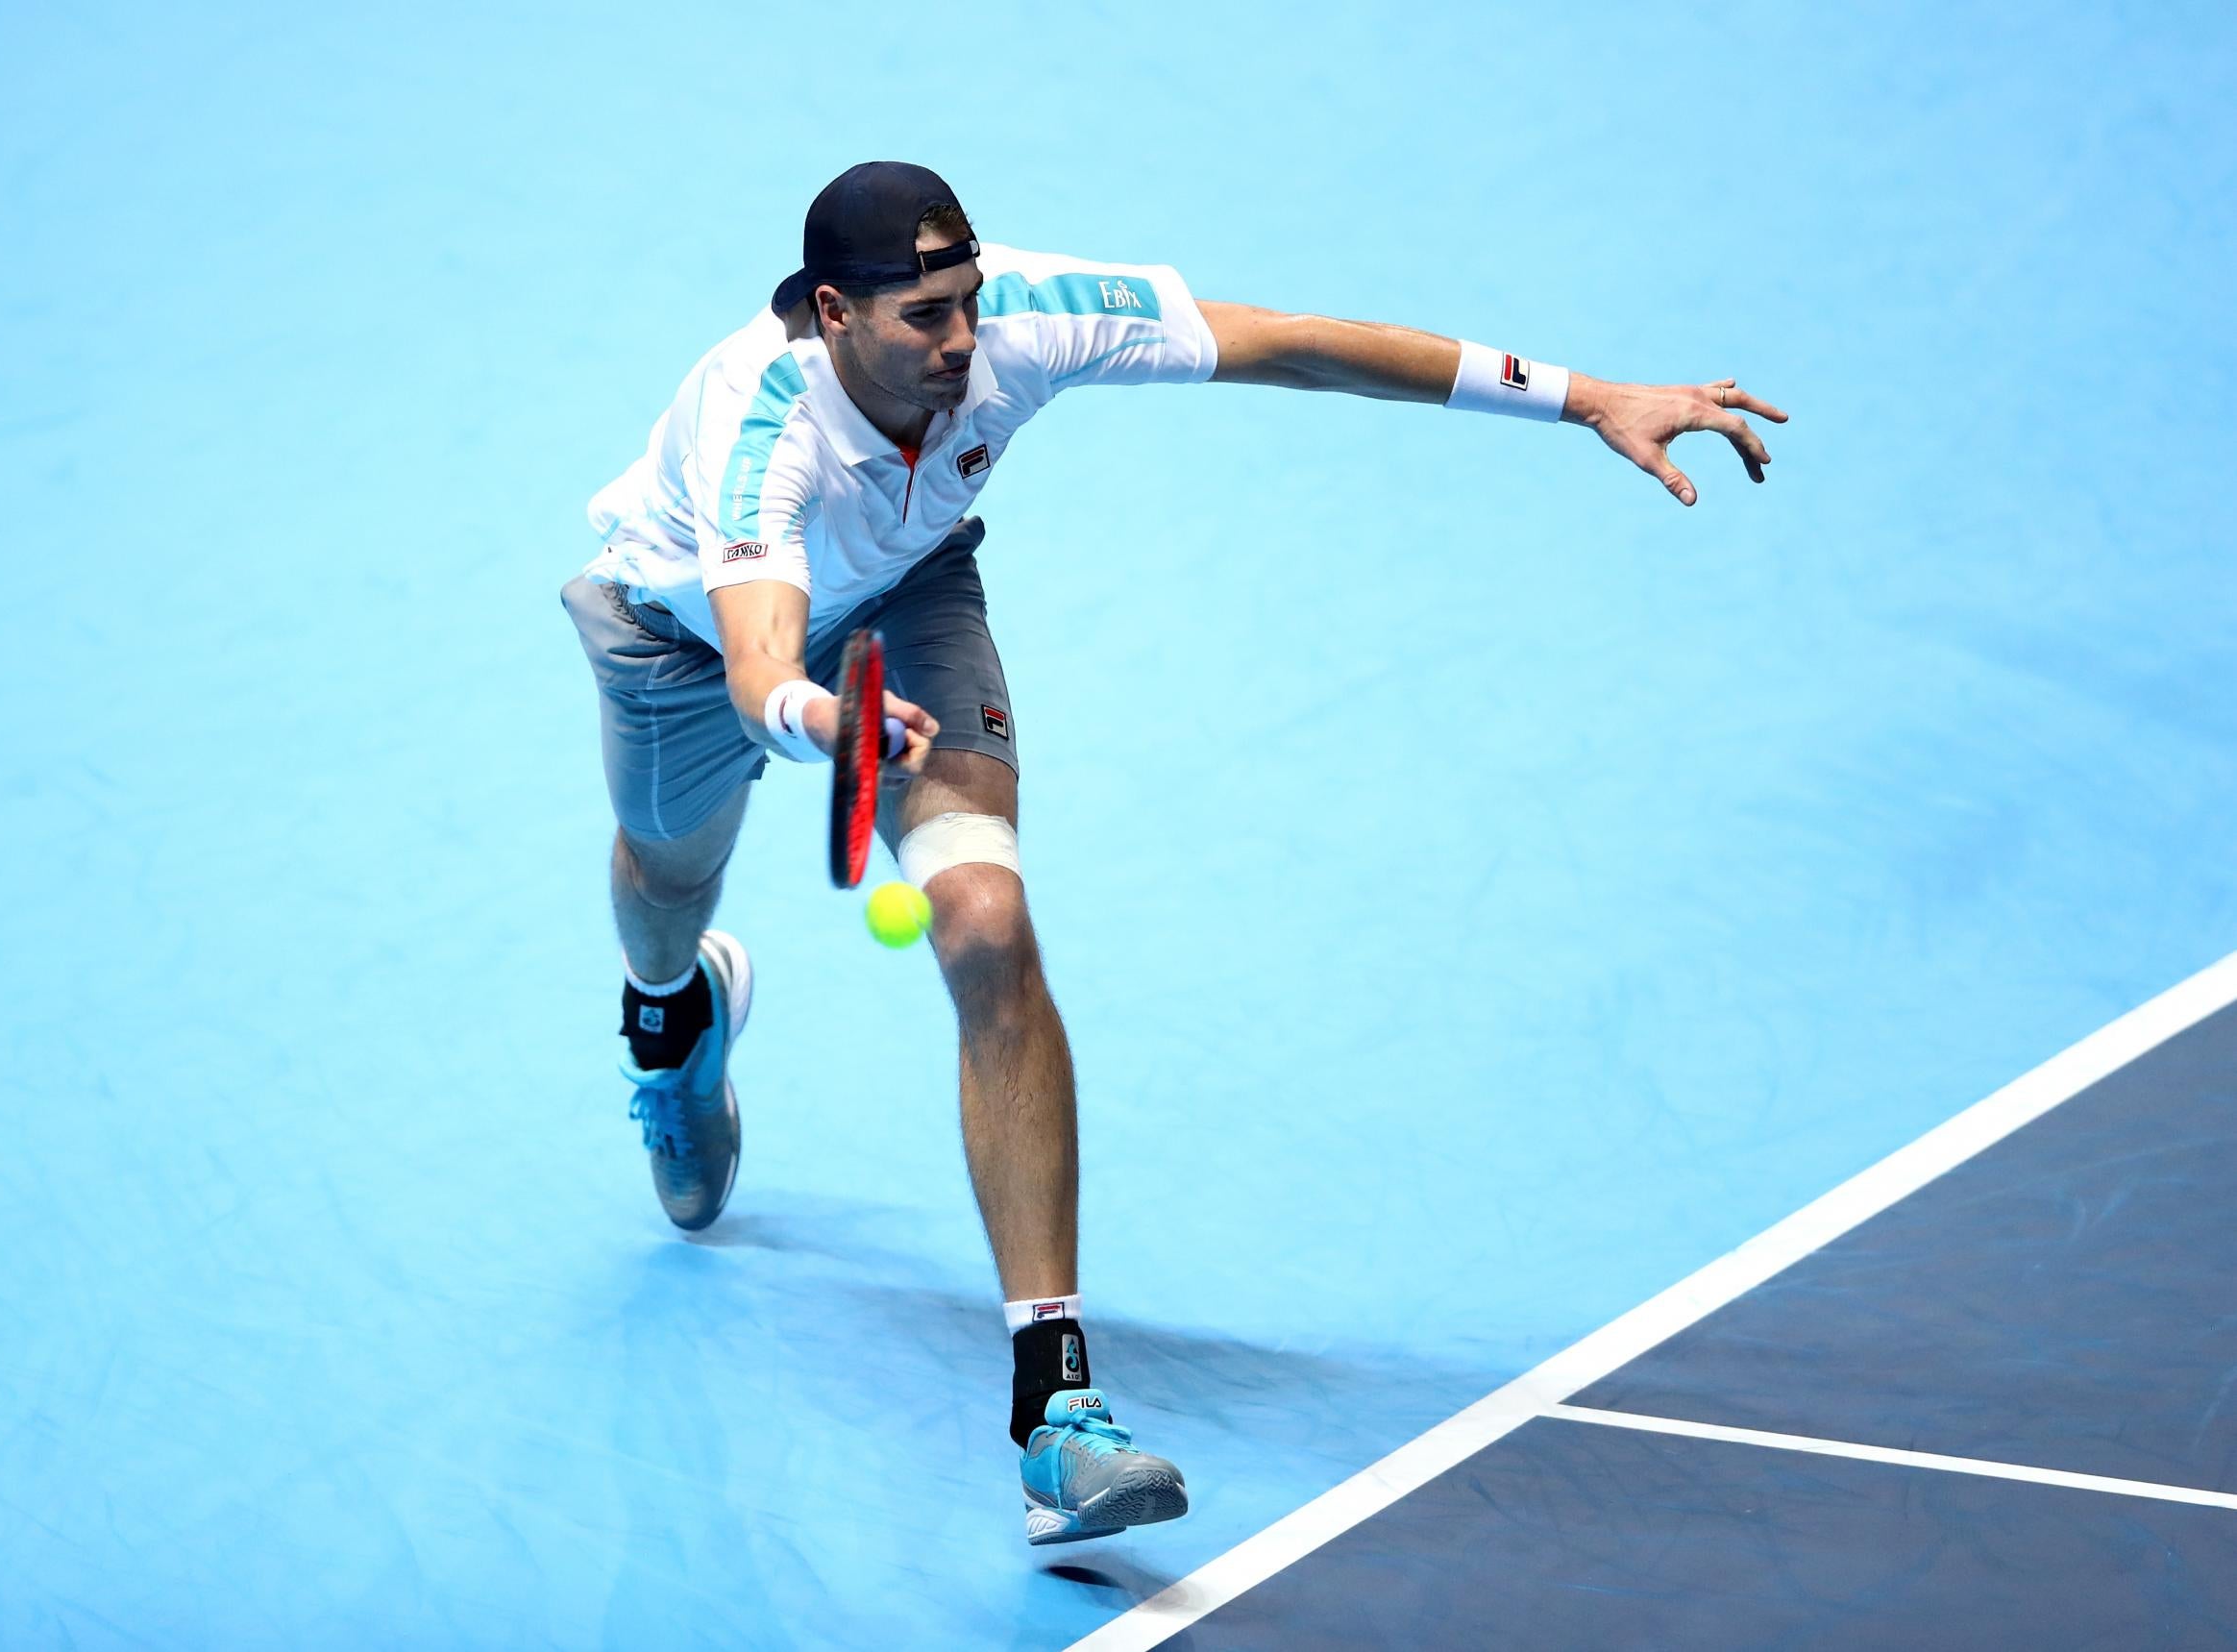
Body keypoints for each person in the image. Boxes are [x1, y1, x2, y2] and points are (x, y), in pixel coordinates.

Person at [563, 161, 1786, 1545]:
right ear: (834, 313)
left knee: (981, 921)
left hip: (909, 594)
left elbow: (1299, 345)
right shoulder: (760, 425)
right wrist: (822, 722)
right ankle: (672, 1023)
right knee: (668, 885)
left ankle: (1057, 1413)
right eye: (924, 319)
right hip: (689, 644)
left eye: (968, 304)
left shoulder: (1024, 318)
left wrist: (1581, 394)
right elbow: (760, 664)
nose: (962, 343)